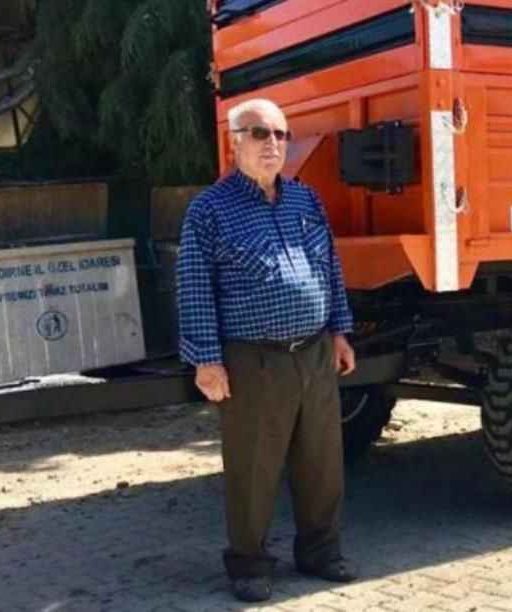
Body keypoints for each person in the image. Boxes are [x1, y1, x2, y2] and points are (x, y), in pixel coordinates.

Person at [176, 98, 357, 603]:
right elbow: (194, 287)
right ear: (234, 142)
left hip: (314, 353)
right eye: (259, 133)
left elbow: (329, 267)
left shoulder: (305, 199)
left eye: (280, 134)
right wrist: (206, 360)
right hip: (252, 361)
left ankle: (320, 552)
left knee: (322, 462)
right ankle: (250, 565)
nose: (273, 143)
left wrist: (340, 331)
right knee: (254, 469)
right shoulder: (210, 210)